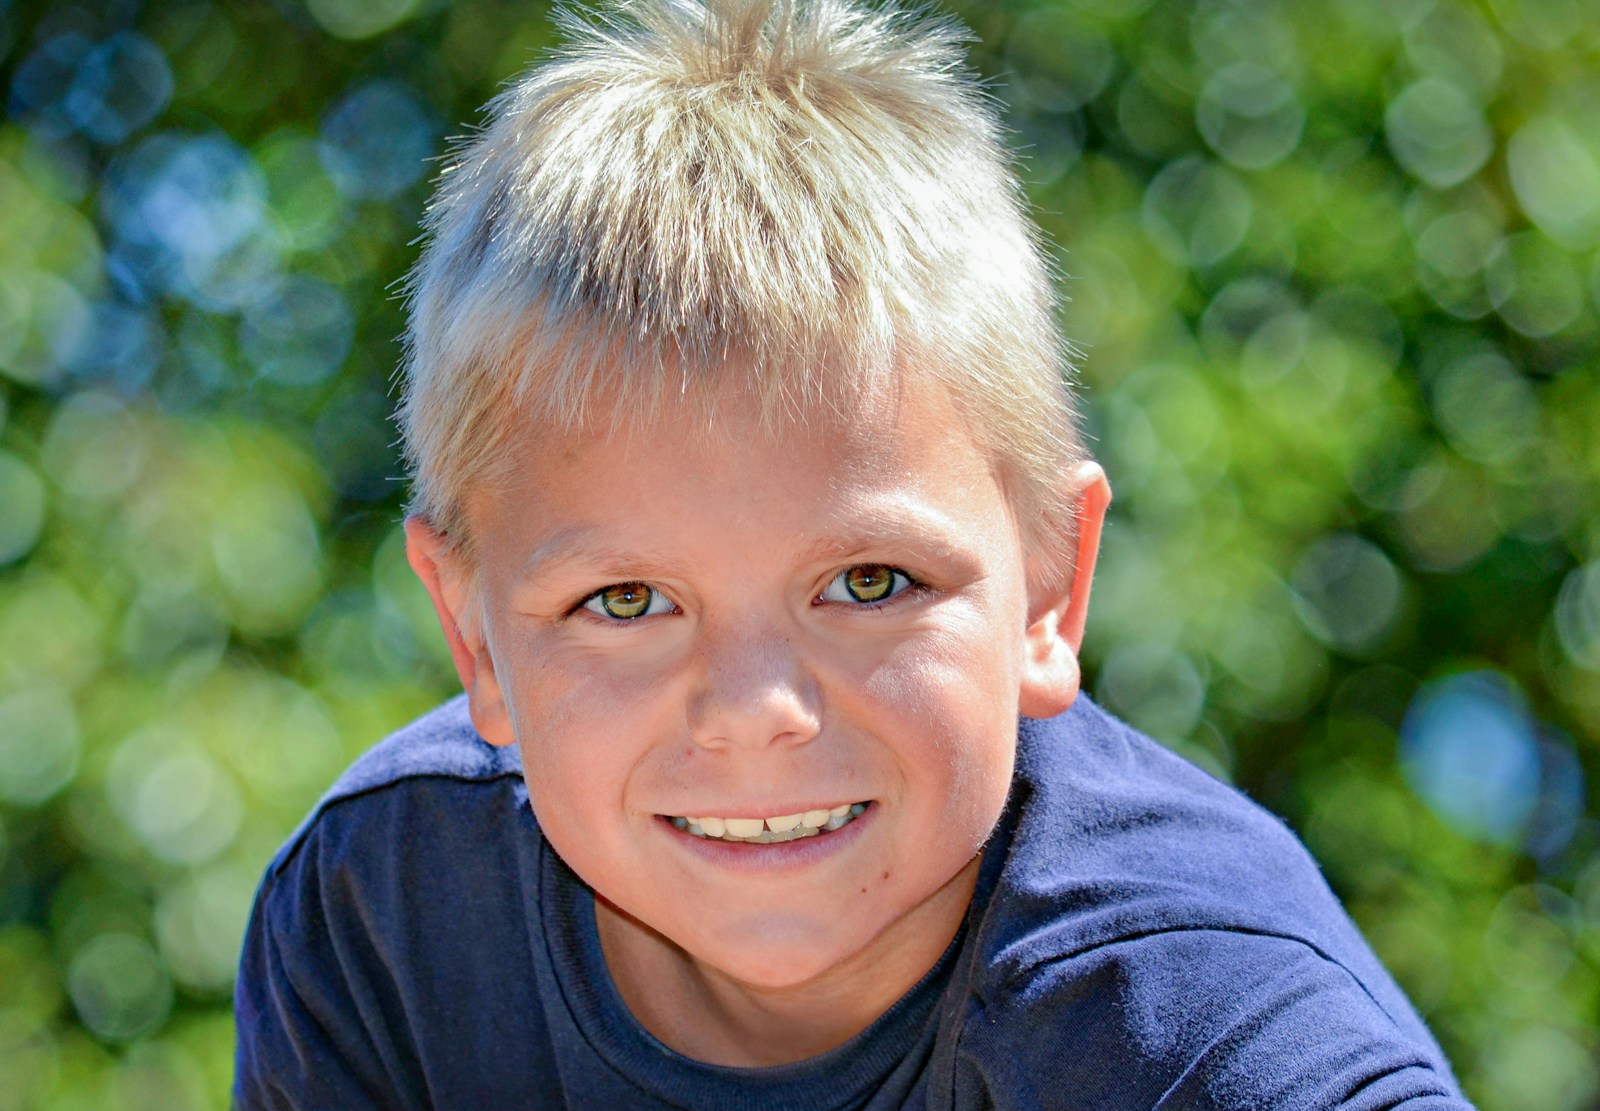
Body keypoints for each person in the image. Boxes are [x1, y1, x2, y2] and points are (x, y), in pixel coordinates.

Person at [233, 0, 1472, 1106]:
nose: (757, 711)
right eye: (626, 600)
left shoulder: (1195, 1019)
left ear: (1050, 587)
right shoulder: (386, 920)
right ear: (473, 639)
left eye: (869, 583)